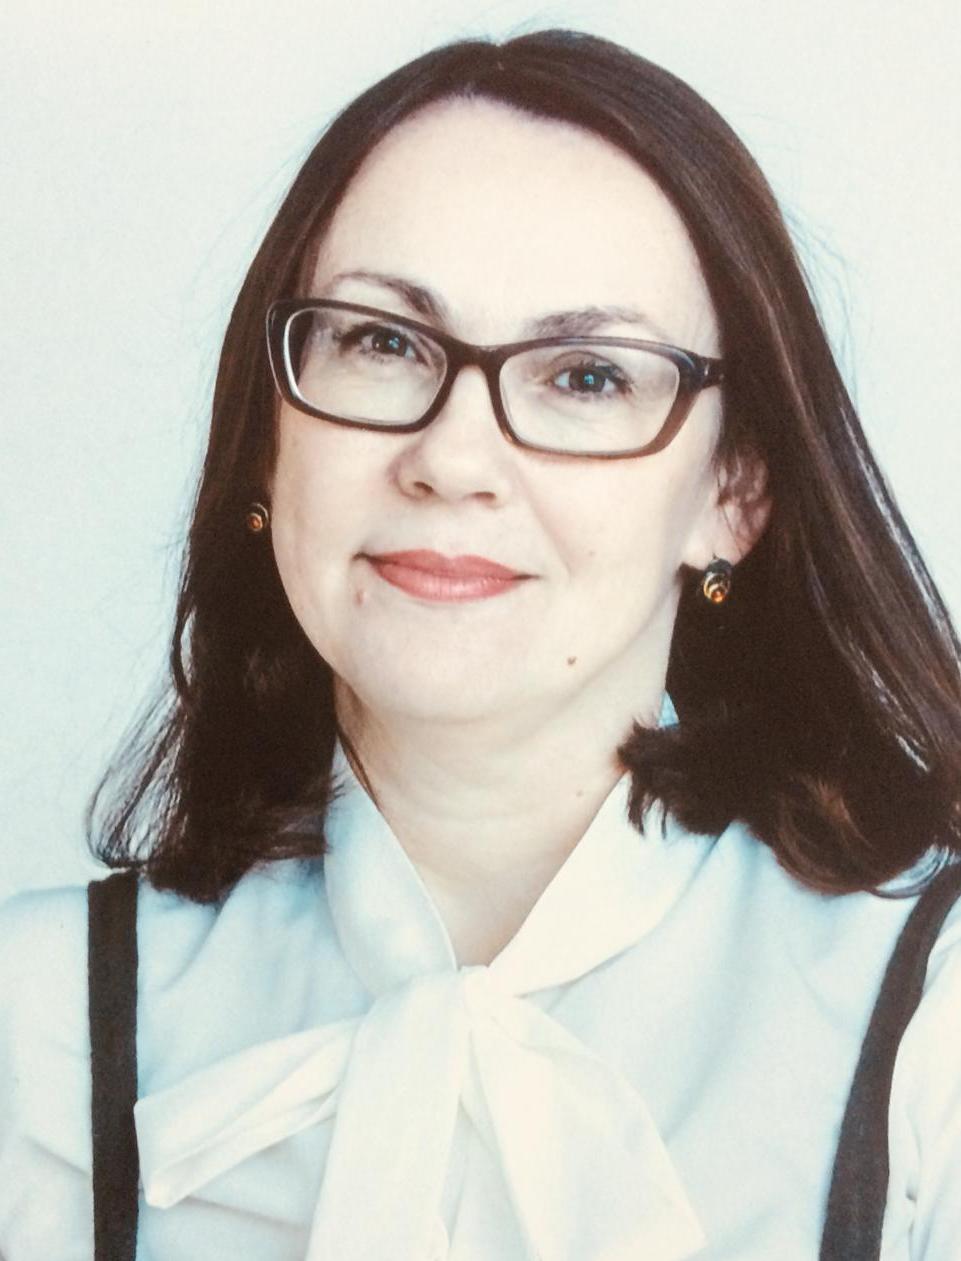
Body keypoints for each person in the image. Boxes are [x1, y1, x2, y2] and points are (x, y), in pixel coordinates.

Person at [1, 27, 960, 1261]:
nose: (452, 459)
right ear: (265, 439)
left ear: (735, 492)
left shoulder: (932, 1024)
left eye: (588, 376)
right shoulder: (36, 1030)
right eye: (382, 342)